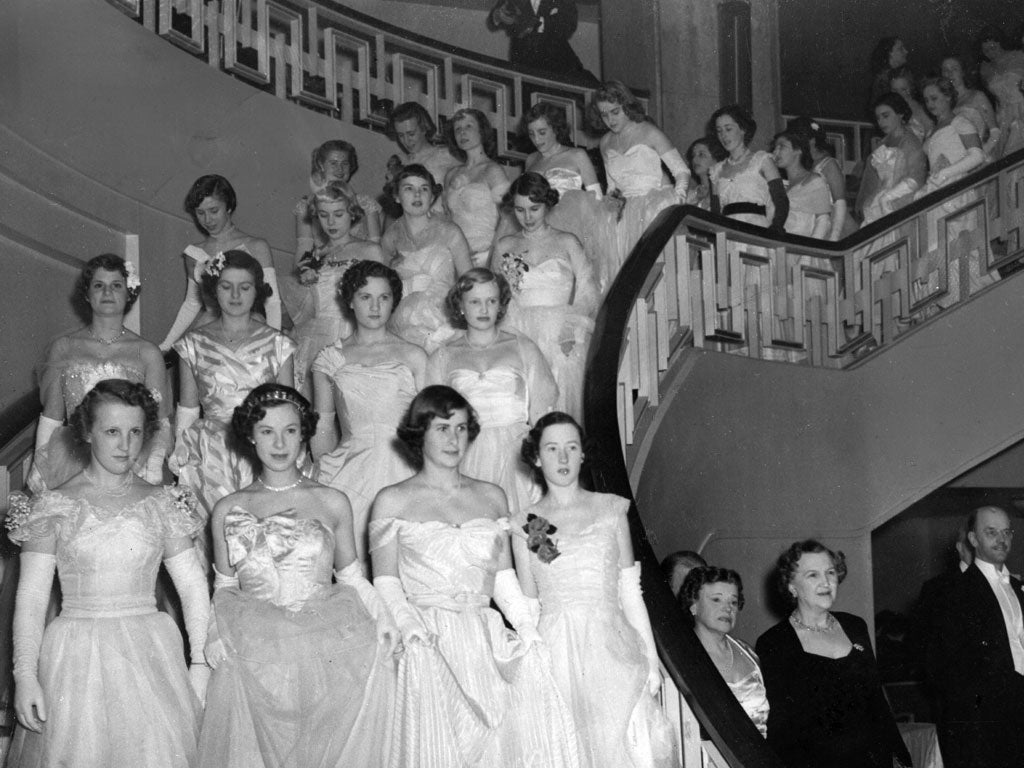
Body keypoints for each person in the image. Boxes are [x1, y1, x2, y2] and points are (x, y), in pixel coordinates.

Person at [368, 386, 580, 768]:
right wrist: (409, 626)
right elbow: (385, 581)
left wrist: (527, 625)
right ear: (420, 433)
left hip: (483, 638)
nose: (455, 439)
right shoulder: (391, 500)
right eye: (443, 428)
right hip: (425, 639)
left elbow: (501, 578)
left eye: (463, 428)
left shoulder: (492, 496)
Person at [7, 379, 209, 767]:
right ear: (86, 432)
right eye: (112, 431)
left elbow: (193, 587)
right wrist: (25, 675)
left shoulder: (161, 501)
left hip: (151, 652)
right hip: (76, 656)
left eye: (135, 432)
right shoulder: (55, 505)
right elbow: (32, 598)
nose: (125, 445)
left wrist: (199, 664)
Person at [197, 384, 398, 768]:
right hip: (255, 646)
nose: (279, 442)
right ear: (250, 437)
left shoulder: (331, 500)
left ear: (304, 433)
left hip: (323, 642)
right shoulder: (228, 508)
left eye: (290, 430)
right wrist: (213, 632)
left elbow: (352, 576)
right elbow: (223, 585)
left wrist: (385, 617)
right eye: (267, 431)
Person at [514, 412, 678, 767]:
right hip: (557, 652)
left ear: (582, 455)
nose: (562, 458)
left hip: (612, 646)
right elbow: (529, 605)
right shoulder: (530, 523)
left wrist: (650, 661)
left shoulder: (610, 509)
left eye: (571, 448)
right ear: (537, 457)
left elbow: (630, 592)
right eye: (552, 448)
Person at [755, 540, 911, 768]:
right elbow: (781, 730)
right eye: (812, 575)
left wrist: (900, 757)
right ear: (791, 585)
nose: (826, 582)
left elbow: (877, 701)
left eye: (830, 572)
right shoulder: (775, 642)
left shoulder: (855, 626)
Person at [312, 260, 425, 566]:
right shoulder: (330, 358)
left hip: (405, 465)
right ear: (349, 300)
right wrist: (322, 474)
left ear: (394, 302)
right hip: (352, 467)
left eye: (384, 297)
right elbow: (323, 425)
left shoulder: (414, 355)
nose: (375, 307)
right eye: (365, 297)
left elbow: (431, 424)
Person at [170, 250, 296, 519]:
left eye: (245, 287)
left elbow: (289, 409)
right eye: (227, 287)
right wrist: (180, 451)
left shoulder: (278, 343)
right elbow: (188, 409)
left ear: (257, 291)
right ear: (215, 290)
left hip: (262, 446)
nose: (236, 296)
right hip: (212, 452)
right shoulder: (193, 343)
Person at [29, 254, 171, 492]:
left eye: (116, 286)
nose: (107, 293)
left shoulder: (147, 352)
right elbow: (52, 417)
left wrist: (153, 466)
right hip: (73, 458)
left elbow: (159, 423)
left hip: (129, 458)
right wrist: (39, 467)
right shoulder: (64, 348)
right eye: (99, 285)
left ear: (129, 293)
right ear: (87, 294)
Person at [427, 268, 556, 515]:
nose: (484, 310)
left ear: (501, 305)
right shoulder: (442, 356)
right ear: (461, 306)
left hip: (517, 457)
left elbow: (542, 413)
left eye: (491, 301)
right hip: (466, 454)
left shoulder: (523, 348)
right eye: (475, 302)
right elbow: (434, 423)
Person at [492, 172, 600, 419]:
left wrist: (571, 327)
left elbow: (588, 290)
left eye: (534, 208)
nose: (527, 217)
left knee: (559, 401)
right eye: (519, 210)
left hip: (560, 330)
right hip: (517, 328)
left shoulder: (567, 241)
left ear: (547, 204)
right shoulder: (504, 246)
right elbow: (496, 294)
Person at [929, 506, 1024, 768]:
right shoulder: (953, 591)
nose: (1001, 539)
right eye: (991, 532)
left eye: (1006, 532)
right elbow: (943, 667)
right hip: (982, 725)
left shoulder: (1018, 588)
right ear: (973, 539)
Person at [160, 174, 281, 351]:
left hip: (249, 327)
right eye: (200, 213)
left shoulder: (256, 247)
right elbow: (191, 304)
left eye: (214, 211)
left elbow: (272, 302)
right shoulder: (194, 253)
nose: (207, 220)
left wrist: (274, 344)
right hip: (209, 329)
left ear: (229, 207)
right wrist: (166, 344)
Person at [290, 182, 383, 396]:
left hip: (355, 332)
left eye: (338, 214)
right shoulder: (314, 256)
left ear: (352, 213)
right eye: (323, 215)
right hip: (316, 337)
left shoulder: (369, 250)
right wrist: (307, 285)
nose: (331, 222)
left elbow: (385, 298)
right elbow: (306, 309)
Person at [592, 81, 689, 283]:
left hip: (653, 207)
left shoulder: (649, 132)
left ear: (627, 106)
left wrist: (676, 201)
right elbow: (612, 186)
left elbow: (681, 171)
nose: (610, 119)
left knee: (654, 271)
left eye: (615, 111)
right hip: (624, 213)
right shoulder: (605, 142)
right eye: (604, 114)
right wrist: (612, 199)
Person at [522, 102, 618, 295]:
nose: (536, 139)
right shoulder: (530, 160)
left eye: (542, 132)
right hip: (538, 226)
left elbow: (595, 198)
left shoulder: (576, 155)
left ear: (556, 129)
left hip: (572, 225)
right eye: (532, 133)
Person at [381, 164, 472, 352]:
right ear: (397, 196)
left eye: (424, 189)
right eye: (409, 189)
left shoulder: (450, 231)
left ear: (432, 197)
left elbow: (470, 282)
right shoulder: (390, 237)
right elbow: (381, 288)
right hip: (402, 325)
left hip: (444, 320)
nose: (417, 195)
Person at [681, 566, 768, 737]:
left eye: (733, 602)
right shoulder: (684, 657)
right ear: (693, 606)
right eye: (716, 600)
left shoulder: (748, 653)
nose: (728, 608)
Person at [443, 108, 512, 267]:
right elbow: (447, 219)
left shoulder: (493, 170)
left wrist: (492, 254)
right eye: (458, 129)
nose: (462, 133)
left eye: (468, 127)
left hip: (483, 253)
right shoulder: (451, 174)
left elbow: (508, 217)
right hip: (454, 253)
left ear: (482, 131)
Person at [709, 105, 788, 232]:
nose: (723, 135)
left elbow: (781, 200)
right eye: (719, 131)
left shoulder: (762, 160)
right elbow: (716, 211)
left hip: (757, 230)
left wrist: (776, 228)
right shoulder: (715, 171)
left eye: (728, 129)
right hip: (728, 232)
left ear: (743, 129)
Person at [296, 140, 382, 250]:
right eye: (333, 163)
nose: (340, 169)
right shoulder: (306, 206)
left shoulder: (366, 203)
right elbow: (303, 248)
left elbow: (375, 247)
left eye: (345, 163)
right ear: (321, 165)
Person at [856, 93, 927, 225]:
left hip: (900, 202)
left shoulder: (910, 141)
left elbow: (916, 179)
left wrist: (888, 198)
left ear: (900, 114)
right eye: (878, 118)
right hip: (878, 203)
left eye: (886, 116)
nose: (881, 122)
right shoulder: (882, 144)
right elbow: (871, 181)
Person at [487, 0, 594, 84]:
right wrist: (499, 15)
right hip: (523, 57)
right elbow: (494, 17)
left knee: (584, 84)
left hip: (557, 56)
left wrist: (537, 22)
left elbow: (570, 24)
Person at [786, 117, 854, 239]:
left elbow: (840, 203)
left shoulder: (828, 164)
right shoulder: (803, 167)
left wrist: (834, 237)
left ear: (811, 140)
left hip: (831, 223)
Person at [387, 102, 460, 211]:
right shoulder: (400, 162)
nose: (406, 141)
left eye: (411, 134)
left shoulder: (446, 155)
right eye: (401, 136)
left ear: (424, 128)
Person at [772, 130, 832, 238]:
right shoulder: (783, 186)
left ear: (798, 150)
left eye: (781, 147)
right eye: (775, 148)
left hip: (803, 250)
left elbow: (823, 221)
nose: (775, 152)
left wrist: (808, 254)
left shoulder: (814, 181)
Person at [977, 26, 1024, 159]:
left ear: (1000, 43)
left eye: (993, 47)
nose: (990, 52)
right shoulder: (985, 70)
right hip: (1003, 117)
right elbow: (994, 99)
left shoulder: (1019, 56)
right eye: (986, 50)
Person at [940, 54, 998, 156]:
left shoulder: (977, 96)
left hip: (983, 156)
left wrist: (979, 156)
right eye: (945, 70)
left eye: (954, 69)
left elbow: (995, 133)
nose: (949, 74)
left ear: (962, 72)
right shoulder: (945, 106)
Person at [889, 67, 934, 141]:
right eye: (895, 90)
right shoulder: (887, 107)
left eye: (903, 89)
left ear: (910, 88)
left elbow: (930, 133)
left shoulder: (920, 109)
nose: (899, 94)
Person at [684, 136, 727, 212]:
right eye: (693, 155)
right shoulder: (689, 195)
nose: (694, 159)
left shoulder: (726, 191)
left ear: (718, 159)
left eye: (701, 154)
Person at [868, 37, 909, 113]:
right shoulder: (883, 80)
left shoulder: (903, 74)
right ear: (890, 53)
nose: (906, 52)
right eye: (900, 49)